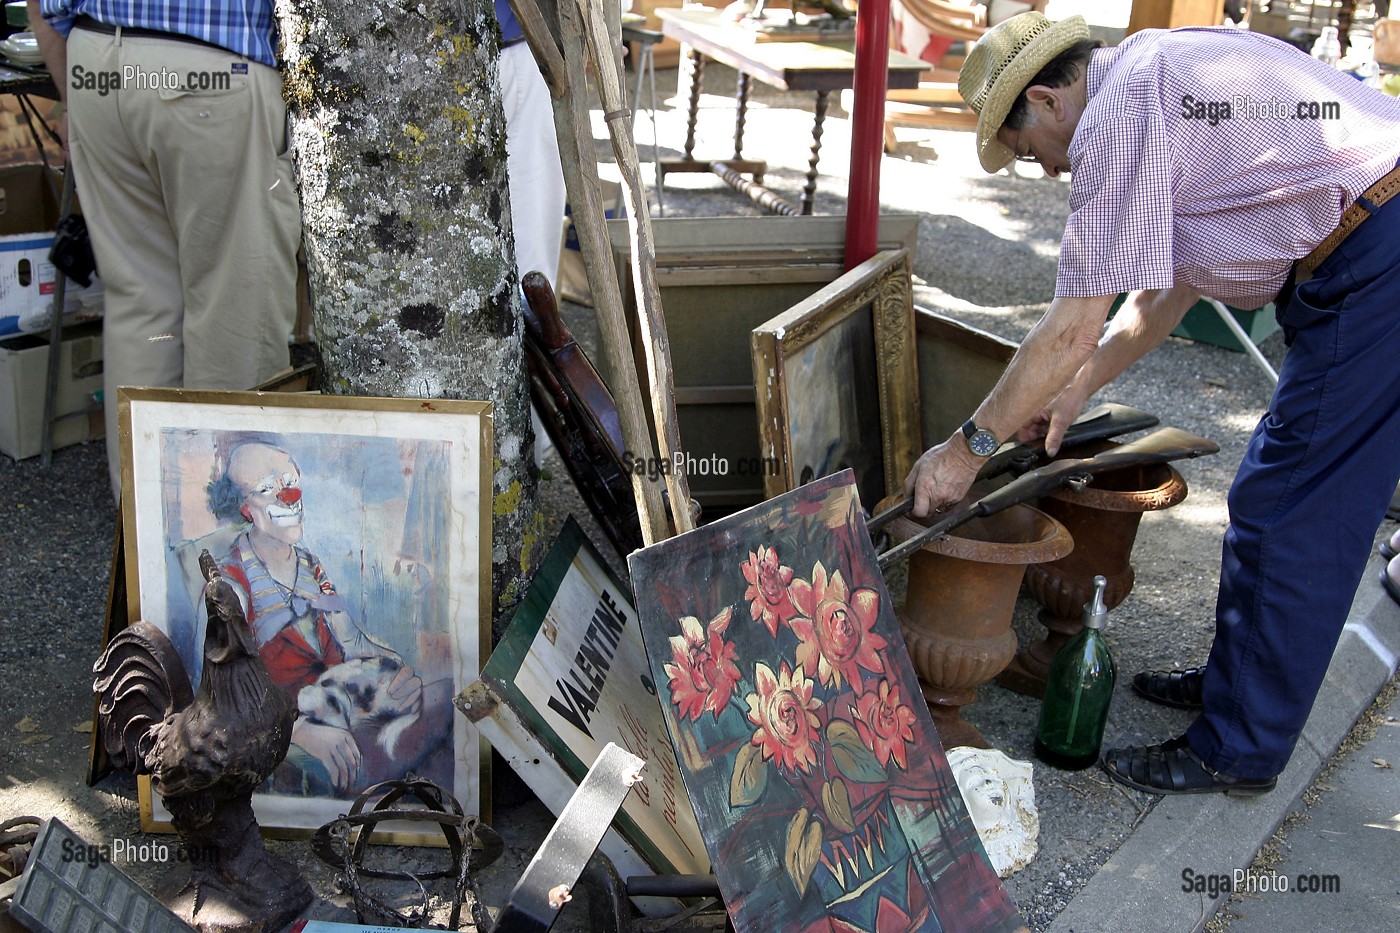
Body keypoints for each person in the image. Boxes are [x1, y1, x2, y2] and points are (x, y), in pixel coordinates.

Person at [905, 12, 1400, 795]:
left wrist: (967, 448)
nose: (1042, 171)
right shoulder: (1150, 75)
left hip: (1381, 251)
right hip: (1374, 238)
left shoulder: (1119, 118)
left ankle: (1236, 749)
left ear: (1048, 98)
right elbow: (1171, 286)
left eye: (1028, 148)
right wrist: (1082, 385)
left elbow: (1069, 326)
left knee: (1294, 511)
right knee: (1274, 494)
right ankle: (1240, 686)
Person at [30, 0, 301, 500]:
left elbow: (41, 6)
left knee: (143, 310)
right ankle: (225, 542)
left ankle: (145, 545)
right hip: (209, 66)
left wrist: (71, 98)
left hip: (96, 64)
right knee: (233, 316)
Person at [203, 440, 451, 796]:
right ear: (246, 509)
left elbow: (352, 642)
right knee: (437, 727)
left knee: (442, 695)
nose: (290, 496)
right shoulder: (232, 585)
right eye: (268, 489)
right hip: (298, 731)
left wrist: (399, 673)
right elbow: (222, 699)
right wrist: (298, 731)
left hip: (351, 710)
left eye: (290, 481)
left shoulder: (310, 565)